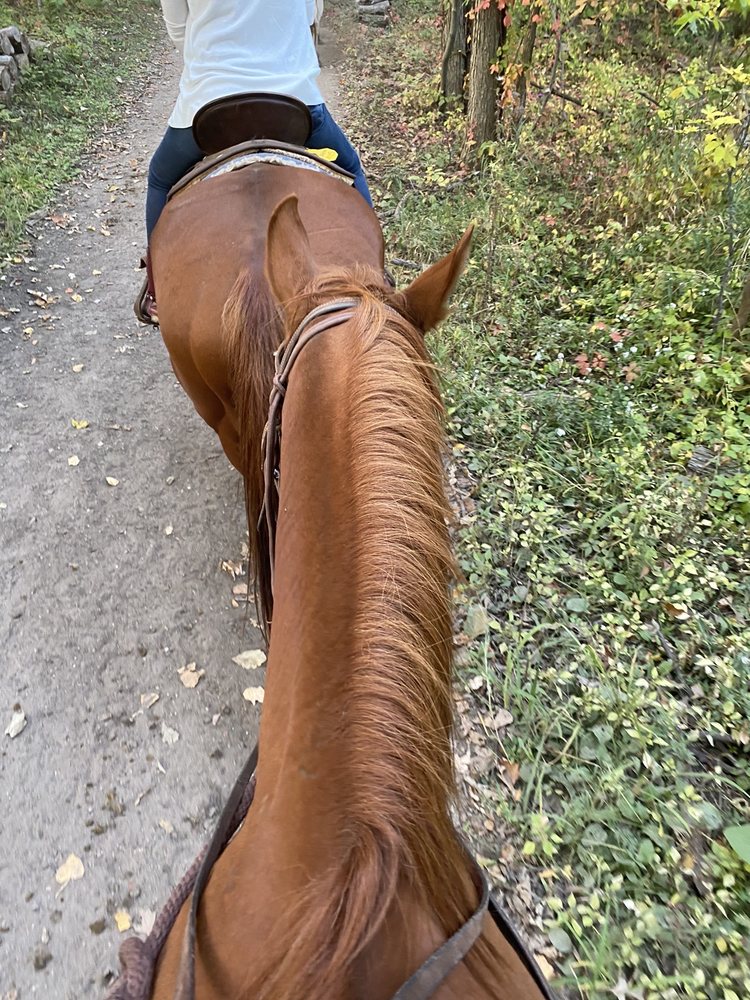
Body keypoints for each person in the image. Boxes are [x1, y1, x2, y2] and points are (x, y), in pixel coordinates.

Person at [139, 0, 371, 323]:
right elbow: (310, 16)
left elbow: (178, 31)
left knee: (160, 178)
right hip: (294, 102)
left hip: (209, 106)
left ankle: (157, 289)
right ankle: (376, 280)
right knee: (351, 167)